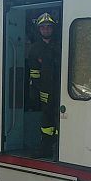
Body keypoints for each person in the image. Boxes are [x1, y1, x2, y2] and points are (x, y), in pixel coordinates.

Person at [28, 12, 60, 157]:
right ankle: (45, 148)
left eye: (48, 27)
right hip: (45, 91)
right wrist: (35, 91)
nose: (46, 30)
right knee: (46, 120)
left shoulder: (61, 45)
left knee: (60, 118)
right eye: (43, 27)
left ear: (53, 29)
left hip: (61, 90)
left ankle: (59, 148)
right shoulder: (35, 49)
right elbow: (34, 72)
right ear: (39, 30)